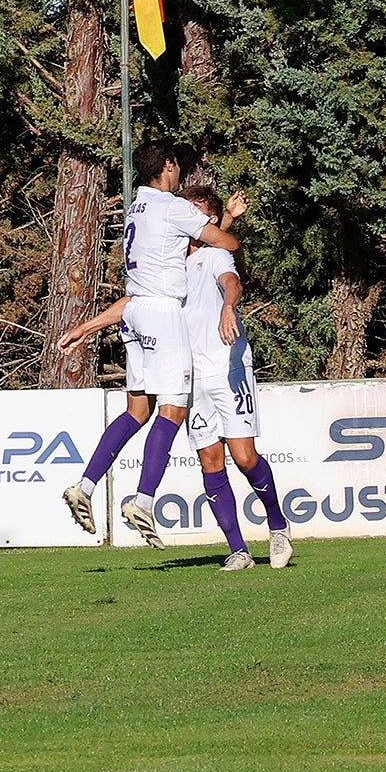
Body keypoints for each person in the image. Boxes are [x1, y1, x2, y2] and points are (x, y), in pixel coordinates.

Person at [58, 187, 291, 570]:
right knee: (210, 460)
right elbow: (133, 303)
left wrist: (229, 309)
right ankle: (238, 551)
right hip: (191, 376)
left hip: (226, 369)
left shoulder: (215, 256)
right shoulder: (168, 262)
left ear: (206, 220)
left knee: (244, 457)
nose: (184, 216)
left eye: (193, 211)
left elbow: (232, 281)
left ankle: (277, 525)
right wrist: (86, 328)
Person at [60, 144, 240, 548]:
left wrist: (85, 328)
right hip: (162, 313)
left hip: (135, 312)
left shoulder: (137, 208)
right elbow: (225, 244)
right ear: (169, 167)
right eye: (179, 166)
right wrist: (225, 222)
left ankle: (85, 487)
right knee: (174, 407)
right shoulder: (174, 207)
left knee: (137, 410)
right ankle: (142, 501)